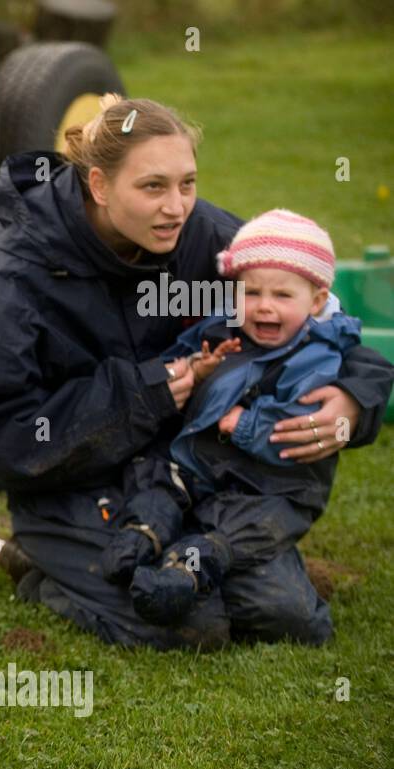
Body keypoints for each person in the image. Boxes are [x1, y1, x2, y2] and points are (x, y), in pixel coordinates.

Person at [0, 96, 394, 650]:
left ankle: (193, 557)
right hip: (72, 490)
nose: (176, 207)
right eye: (153, 186)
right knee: (191, 626)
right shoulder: (8, 286)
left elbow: (323, 322)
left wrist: (355, 397)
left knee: (281, 615)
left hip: (189, 480)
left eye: (187, 183)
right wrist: (140, 396)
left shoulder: (210, 240)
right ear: (100, 185)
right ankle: (41, 565)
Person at [101, 210, 361, 643]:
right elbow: (179, 358)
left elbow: (298, 430)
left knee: (287, 610)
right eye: (251, 291)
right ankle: (142, 533)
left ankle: (190, 566)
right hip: (197, 470)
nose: (263, 305)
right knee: (157, 480)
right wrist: (197, 369)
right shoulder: (224, 329)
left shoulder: (318, 358)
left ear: (316, 302)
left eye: (282, 294)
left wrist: (246, 424)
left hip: (268, 491)